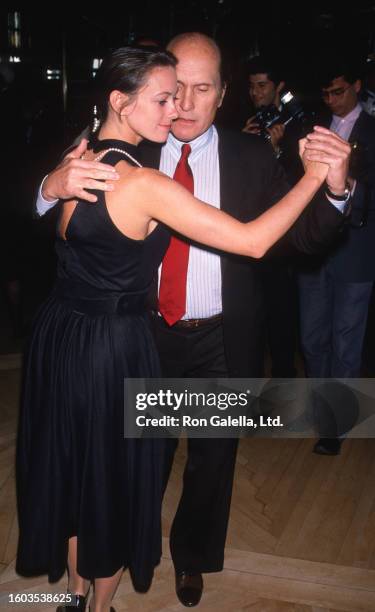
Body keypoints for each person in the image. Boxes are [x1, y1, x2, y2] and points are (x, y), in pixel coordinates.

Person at [34, 35, 351, 608]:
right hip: (141, 338)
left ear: (222, 94)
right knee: (133, 465)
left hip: (217, 337)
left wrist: (334, 187)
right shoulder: (139, 146)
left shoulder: (253, 156)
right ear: (138, 96)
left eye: (200, 89)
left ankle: (187, 562)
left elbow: (302, 236)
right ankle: (124, 561)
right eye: (171, 89)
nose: (181, 103)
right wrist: (47, 186)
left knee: (210, 461)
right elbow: (54, 201)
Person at [297, 60, 375, 456]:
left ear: (357, 86)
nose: (331, 100)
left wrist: (348, 184)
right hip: (316, 250)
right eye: (326, 93)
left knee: (346, 341)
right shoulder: (315, 131)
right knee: (312, 338)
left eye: (339, 91)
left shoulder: (373, 131)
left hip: (358, 252)